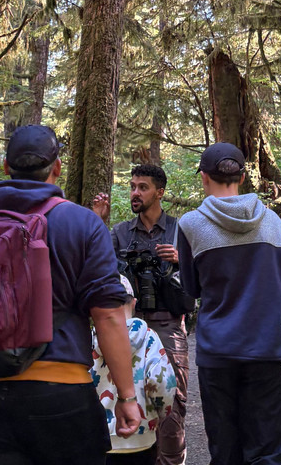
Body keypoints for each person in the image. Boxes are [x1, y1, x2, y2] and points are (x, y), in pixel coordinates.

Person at [0, 125, 143, 465]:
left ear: (6, 167)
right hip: (62, 394)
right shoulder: (83, 224)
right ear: (57, 168)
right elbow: (108, 314)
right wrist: (126, 396)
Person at [175, 143, 281, 465]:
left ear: (203, 177)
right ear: (242, 177)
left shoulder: (189, 225)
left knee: (225, 452)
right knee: (267, 453)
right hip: (265, 350)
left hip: (218, 354)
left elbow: (191, 289)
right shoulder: (274, 223)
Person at [92, 164, 191, 465]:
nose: (135, 193)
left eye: (143, 187)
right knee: (117, 400)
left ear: (160, 192)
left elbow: (202, 279)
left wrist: (181, 260)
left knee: (171, 407)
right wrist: (98, 224)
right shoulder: (121, 233)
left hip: (167, 323)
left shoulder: (180, 231)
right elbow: (98, 267)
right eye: (133, 186)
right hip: (123, 325)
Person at [91, 275, 178, 464]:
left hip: (97, 436)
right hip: (141, 436)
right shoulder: (148, 338)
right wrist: (161, 413)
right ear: (134, 303)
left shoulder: (90, 339)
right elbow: (163, 382)